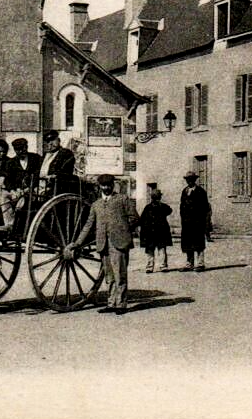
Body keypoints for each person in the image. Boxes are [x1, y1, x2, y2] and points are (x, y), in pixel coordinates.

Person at [65, 174, 139, 313]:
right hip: (103, 243)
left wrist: (122, 229)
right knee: (109, 276)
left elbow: (134, 218)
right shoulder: (96, 205)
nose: (106, 188)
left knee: (120, 274)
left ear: (113, 185)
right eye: (103, 185)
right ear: (100, 186)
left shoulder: (123, 199)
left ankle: (121, 304)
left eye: (108, 185)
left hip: (119, 243)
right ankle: (111, 303)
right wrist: (77, 243)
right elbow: (88, 225)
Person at [180, 171, 213, 272]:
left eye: (191, 179)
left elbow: (205, 208)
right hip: (187, 223)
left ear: (194, 180)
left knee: (198, 243)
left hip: (197, 222)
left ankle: (200, 264)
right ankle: (189, 264)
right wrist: (183, 218)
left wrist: (203, 221)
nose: (189, 181)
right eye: (187, 180)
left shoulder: (200, 192)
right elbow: (181, 206)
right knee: (188, 243)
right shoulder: (184, 191)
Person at [139, 189, 173, 273]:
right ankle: (151, 267)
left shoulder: (162, 207)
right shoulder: (148, 207)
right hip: (150, 233)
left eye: (157, 198)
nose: (156, 200)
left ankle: (162, 266)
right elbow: (142, 219)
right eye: (155, 198)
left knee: (161, 249)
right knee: (151, 250)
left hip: (160, 232)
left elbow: (169, 210)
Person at [37, 130, 78, 196]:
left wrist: (53, 176)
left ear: (59, 140)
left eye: (53, 140)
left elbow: (66, 171)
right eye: (48, 141)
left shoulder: (65, 153)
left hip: (58, 188)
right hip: (42, 187)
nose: (51, 143)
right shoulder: (45, 156)